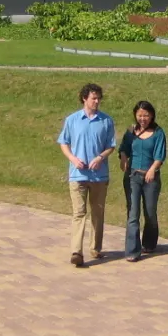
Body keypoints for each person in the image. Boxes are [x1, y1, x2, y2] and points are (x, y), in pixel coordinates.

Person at [56, 82, 116, 268]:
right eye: (93, 98)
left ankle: (95, 247)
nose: (97, 101)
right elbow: (64, 142)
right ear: (84, 98)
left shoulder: (106, 121)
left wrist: (100, 157)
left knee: (97, 213)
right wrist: (73, 159)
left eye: (99, 98)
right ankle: (76, 252)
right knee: (79, 213)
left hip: (99, 176)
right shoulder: (72, 120)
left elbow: (111, 146)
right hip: (78, 175)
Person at [119, 100, 167, 261]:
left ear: (152, 115)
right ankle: (132, 251)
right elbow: (124, 148)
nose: (142, 118)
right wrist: (123, 158)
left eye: (146, 115)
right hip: (132, 177)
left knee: (150, 212)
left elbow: (160, 155)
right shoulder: (131, 131)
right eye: (139, 115)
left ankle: (149, 243)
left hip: (150, 178)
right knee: (133, 214)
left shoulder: (158, 133)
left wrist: (152, 169)